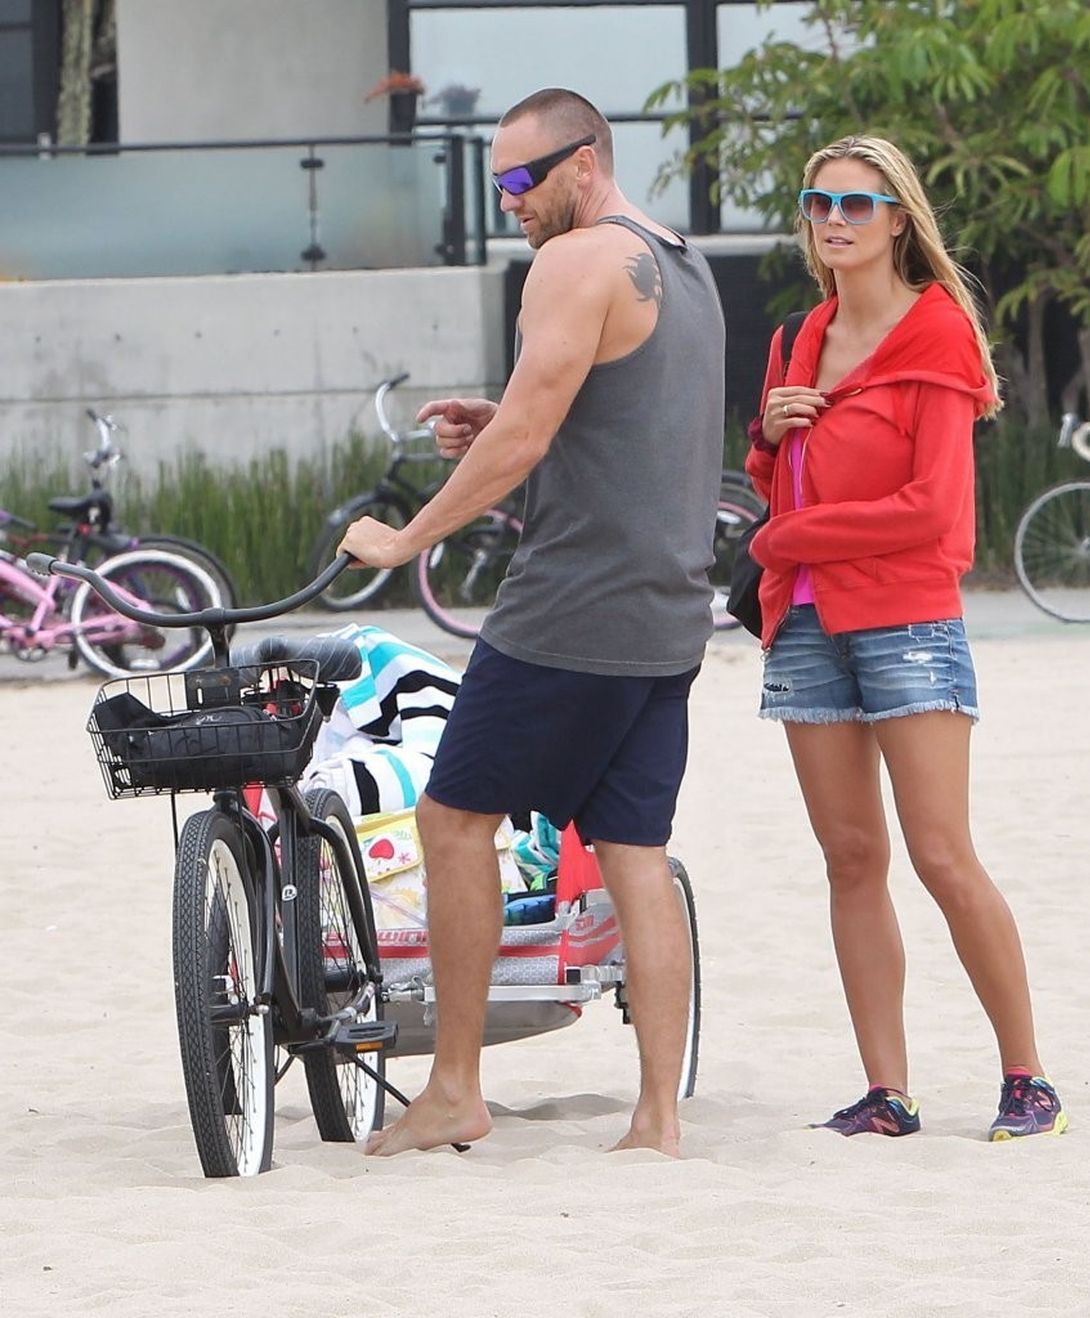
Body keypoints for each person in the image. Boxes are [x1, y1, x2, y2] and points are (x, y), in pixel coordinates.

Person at [338, 88, 725, 1158]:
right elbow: (601, 423)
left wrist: (405, 538)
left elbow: (523, 442)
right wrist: (499, 420)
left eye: (522, 179)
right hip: (667, 612)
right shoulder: (680, 260)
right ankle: (657, 1120)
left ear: (586, 160)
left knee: (455, 820)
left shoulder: (575, 260)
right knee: (635, 851)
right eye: (496, 181)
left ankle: (455, 1086)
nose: (508, 200)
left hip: (571, 609)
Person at [745, 135, 1066, 1141]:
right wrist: (766, 440)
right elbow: (780, 484)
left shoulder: (936, 336)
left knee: (941, 854)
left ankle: (1029, 1080)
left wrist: (791, 532)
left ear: (898, 221)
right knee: (849, 857)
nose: (833, 219)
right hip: (804, 620)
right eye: (818, 202)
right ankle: (888, 1091)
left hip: (909, 621)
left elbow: (935, 516)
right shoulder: (798, 339)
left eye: (856, 203)